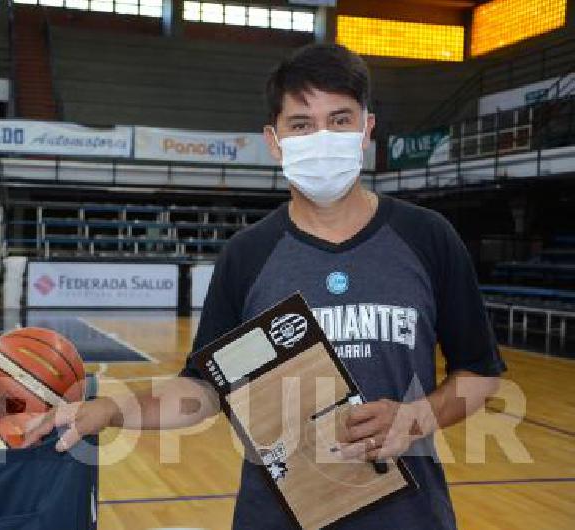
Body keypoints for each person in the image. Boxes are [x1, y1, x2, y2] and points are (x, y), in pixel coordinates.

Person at [31, 44, 506, 529]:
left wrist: (416, 418)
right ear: (274, 140)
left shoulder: (427, 237)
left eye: (340, 120)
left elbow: (481, 372)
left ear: (367, 130)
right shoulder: (248, 255)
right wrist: (109, 409)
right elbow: (203, 391)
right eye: (301, 124)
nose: (322, 137)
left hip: (409, 517)